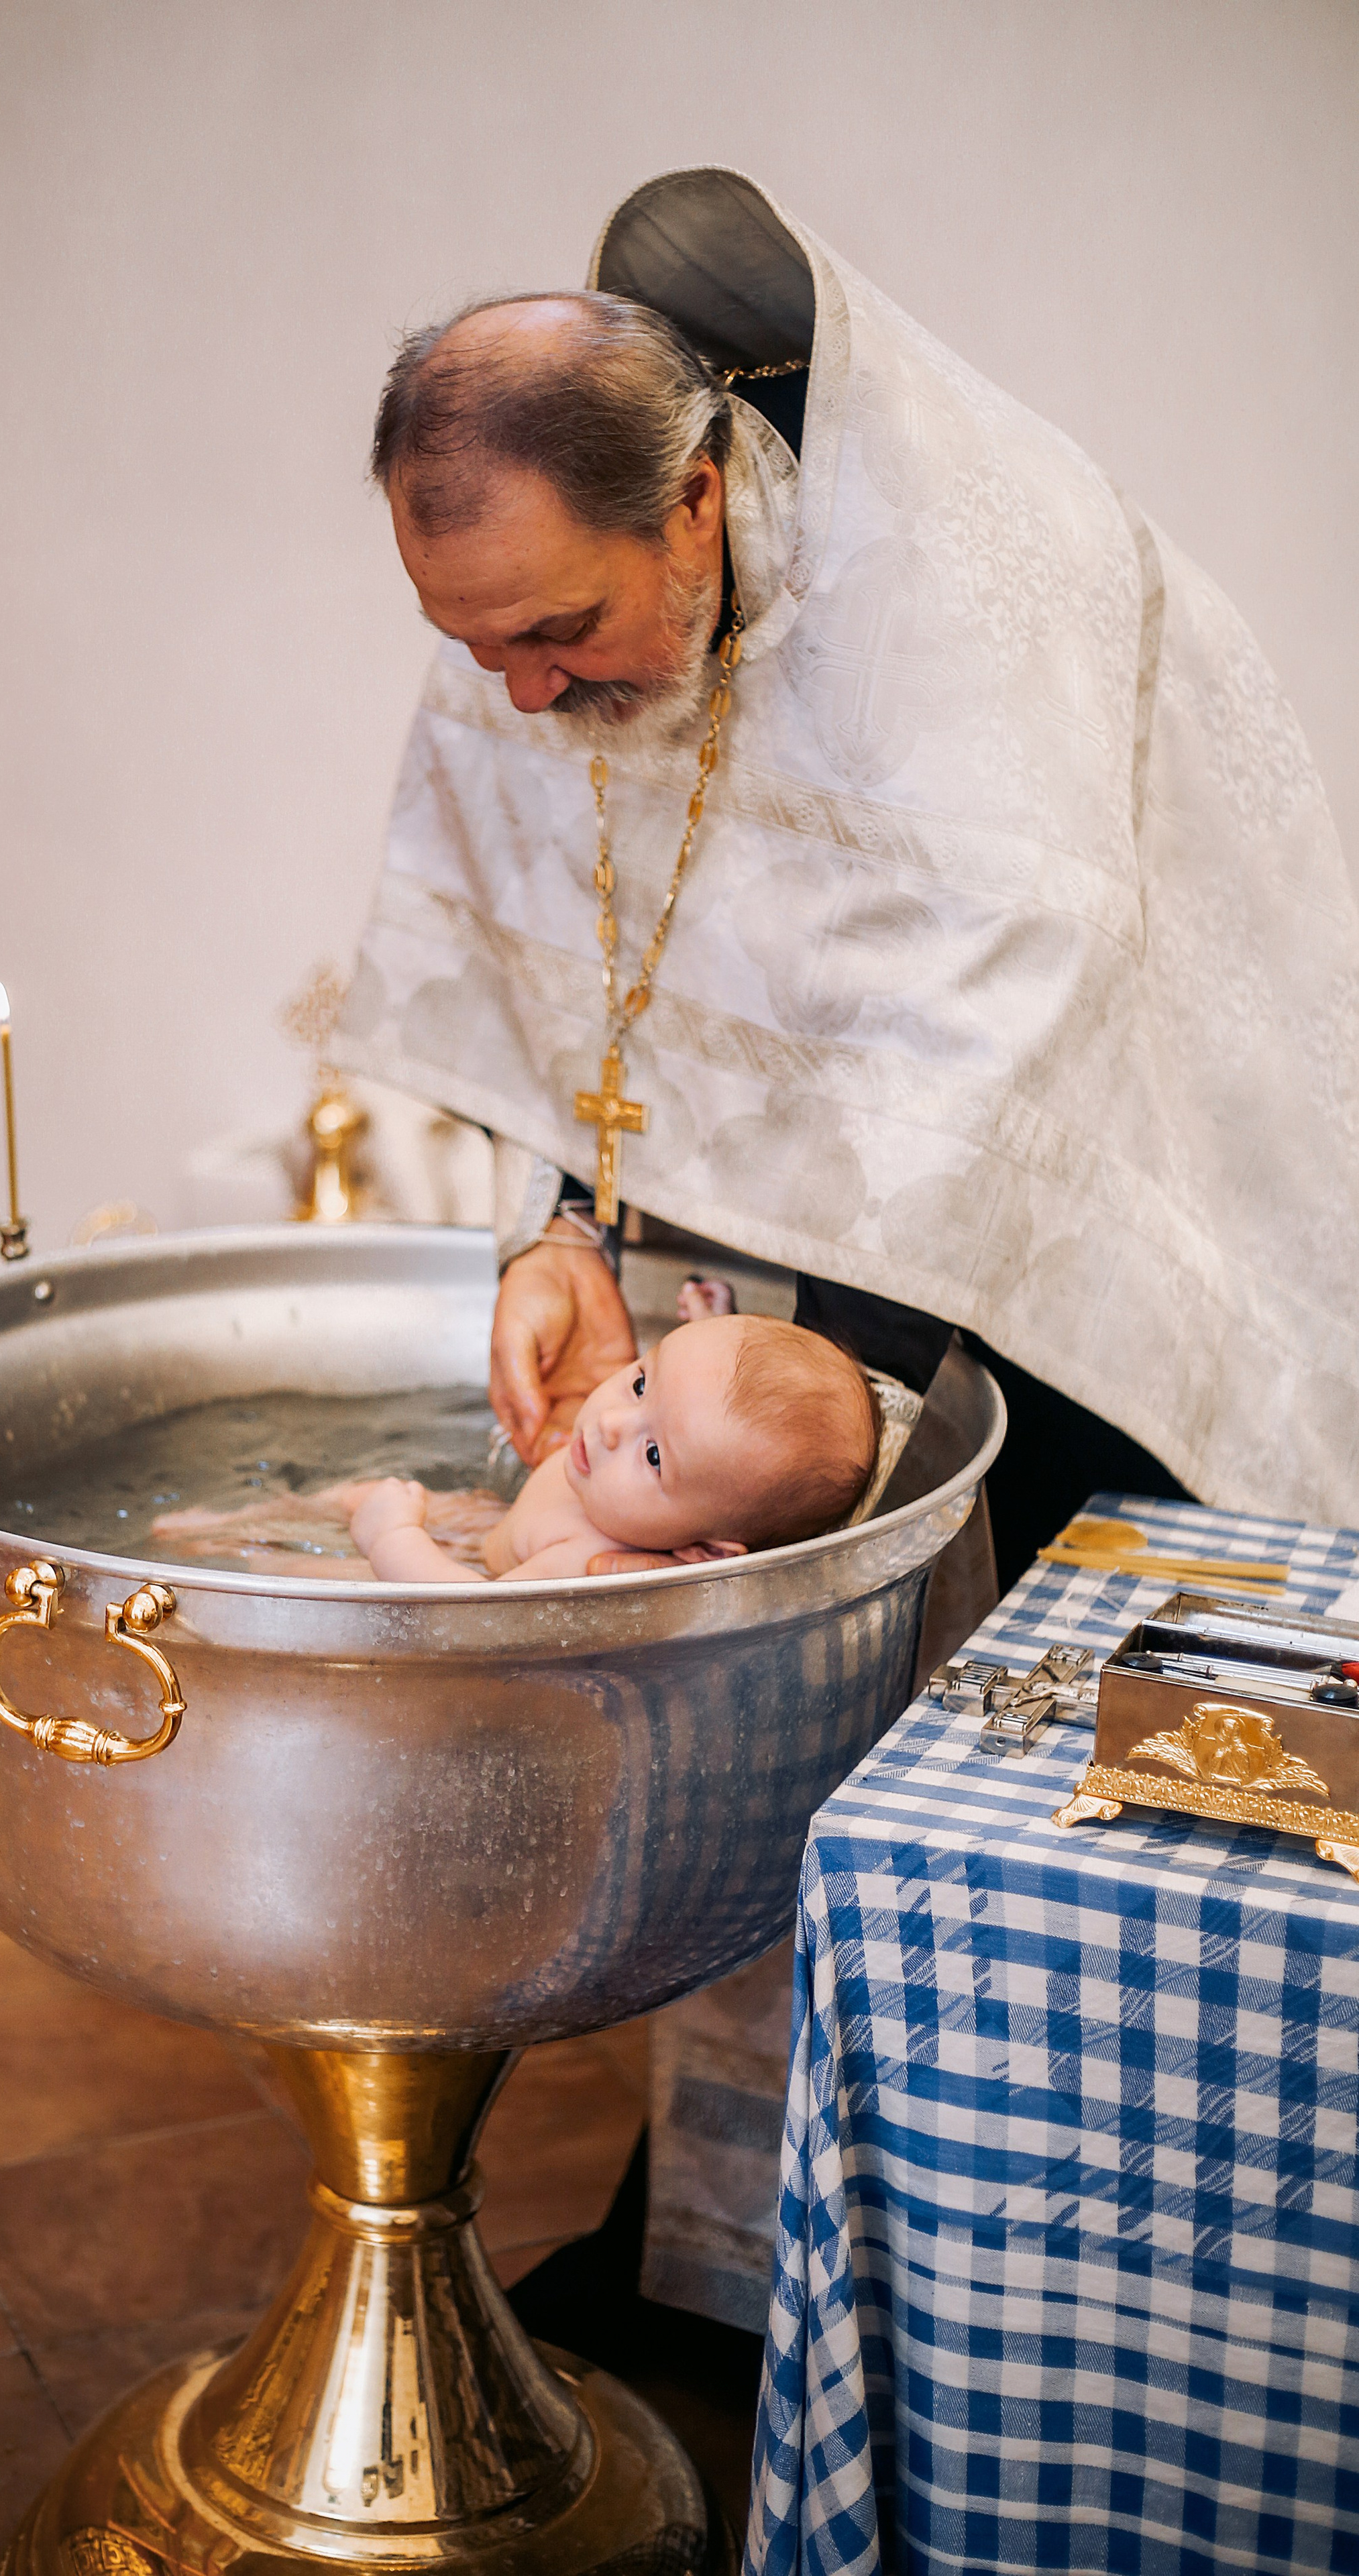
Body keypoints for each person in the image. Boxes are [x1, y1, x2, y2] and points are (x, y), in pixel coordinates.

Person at [332, 164, 1359, 2339]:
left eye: (555, 636)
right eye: (475, 648)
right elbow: (613, 963)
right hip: (847, 1278)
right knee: (849, 1785)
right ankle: (762, 2265)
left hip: (1119, 1268)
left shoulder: (991, 613)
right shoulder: (572, 631)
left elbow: (1009, 1049)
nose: (520, 700)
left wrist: (715, 1349)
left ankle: (1113, 2309)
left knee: (1117, 1816)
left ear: (697, 505)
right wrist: (574, 1224)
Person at [344, 1312, 877, 1582]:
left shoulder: (585, 1560)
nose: (611, 1424)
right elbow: (708, 1412)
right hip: (483, 1521)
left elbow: (462, 1618)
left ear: (706, 1552)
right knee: (347, 1497)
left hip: (468, 1569)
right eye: (642, 1383)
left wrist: (392, 1537)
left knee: (325, 1570)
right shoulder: (641, 1472)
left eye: (653, 1456)